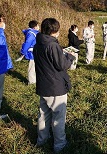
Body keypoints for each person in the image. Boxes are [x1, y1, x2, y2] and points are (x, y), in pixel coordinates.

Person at [33, 18, 75, 153]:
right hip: (55, 87)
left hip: (43, 85)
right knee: (58, 117)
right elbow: (61, 65)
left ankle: (42, 139)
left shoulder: (38, 44)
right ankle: (60, 145)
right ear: (53, 31)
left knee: (43, 115)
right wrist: (70, 57)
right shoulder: (52, 45)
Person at [20, 20, 39, 84]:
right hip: (32, 53)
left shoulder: (33, 33)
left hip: (35, 52)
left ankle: (35, 80)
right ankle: (32, 82)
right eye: (37, 25)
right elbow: (27, 43)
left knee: (34, 67)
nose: (38, 27)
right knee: (31, 67)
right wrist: (23, 52)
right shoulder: (31, 34)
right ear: (35, 27)